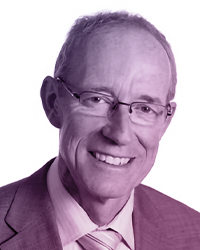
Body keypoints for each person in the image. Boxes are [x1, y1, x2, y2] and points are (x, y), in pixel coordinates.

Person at [0, 11, 200, 250]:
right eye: (97, 99)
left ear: (165, 122)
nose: (120, 134)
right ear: (53, 101)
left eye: (145, 108)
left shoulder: (194, 234)